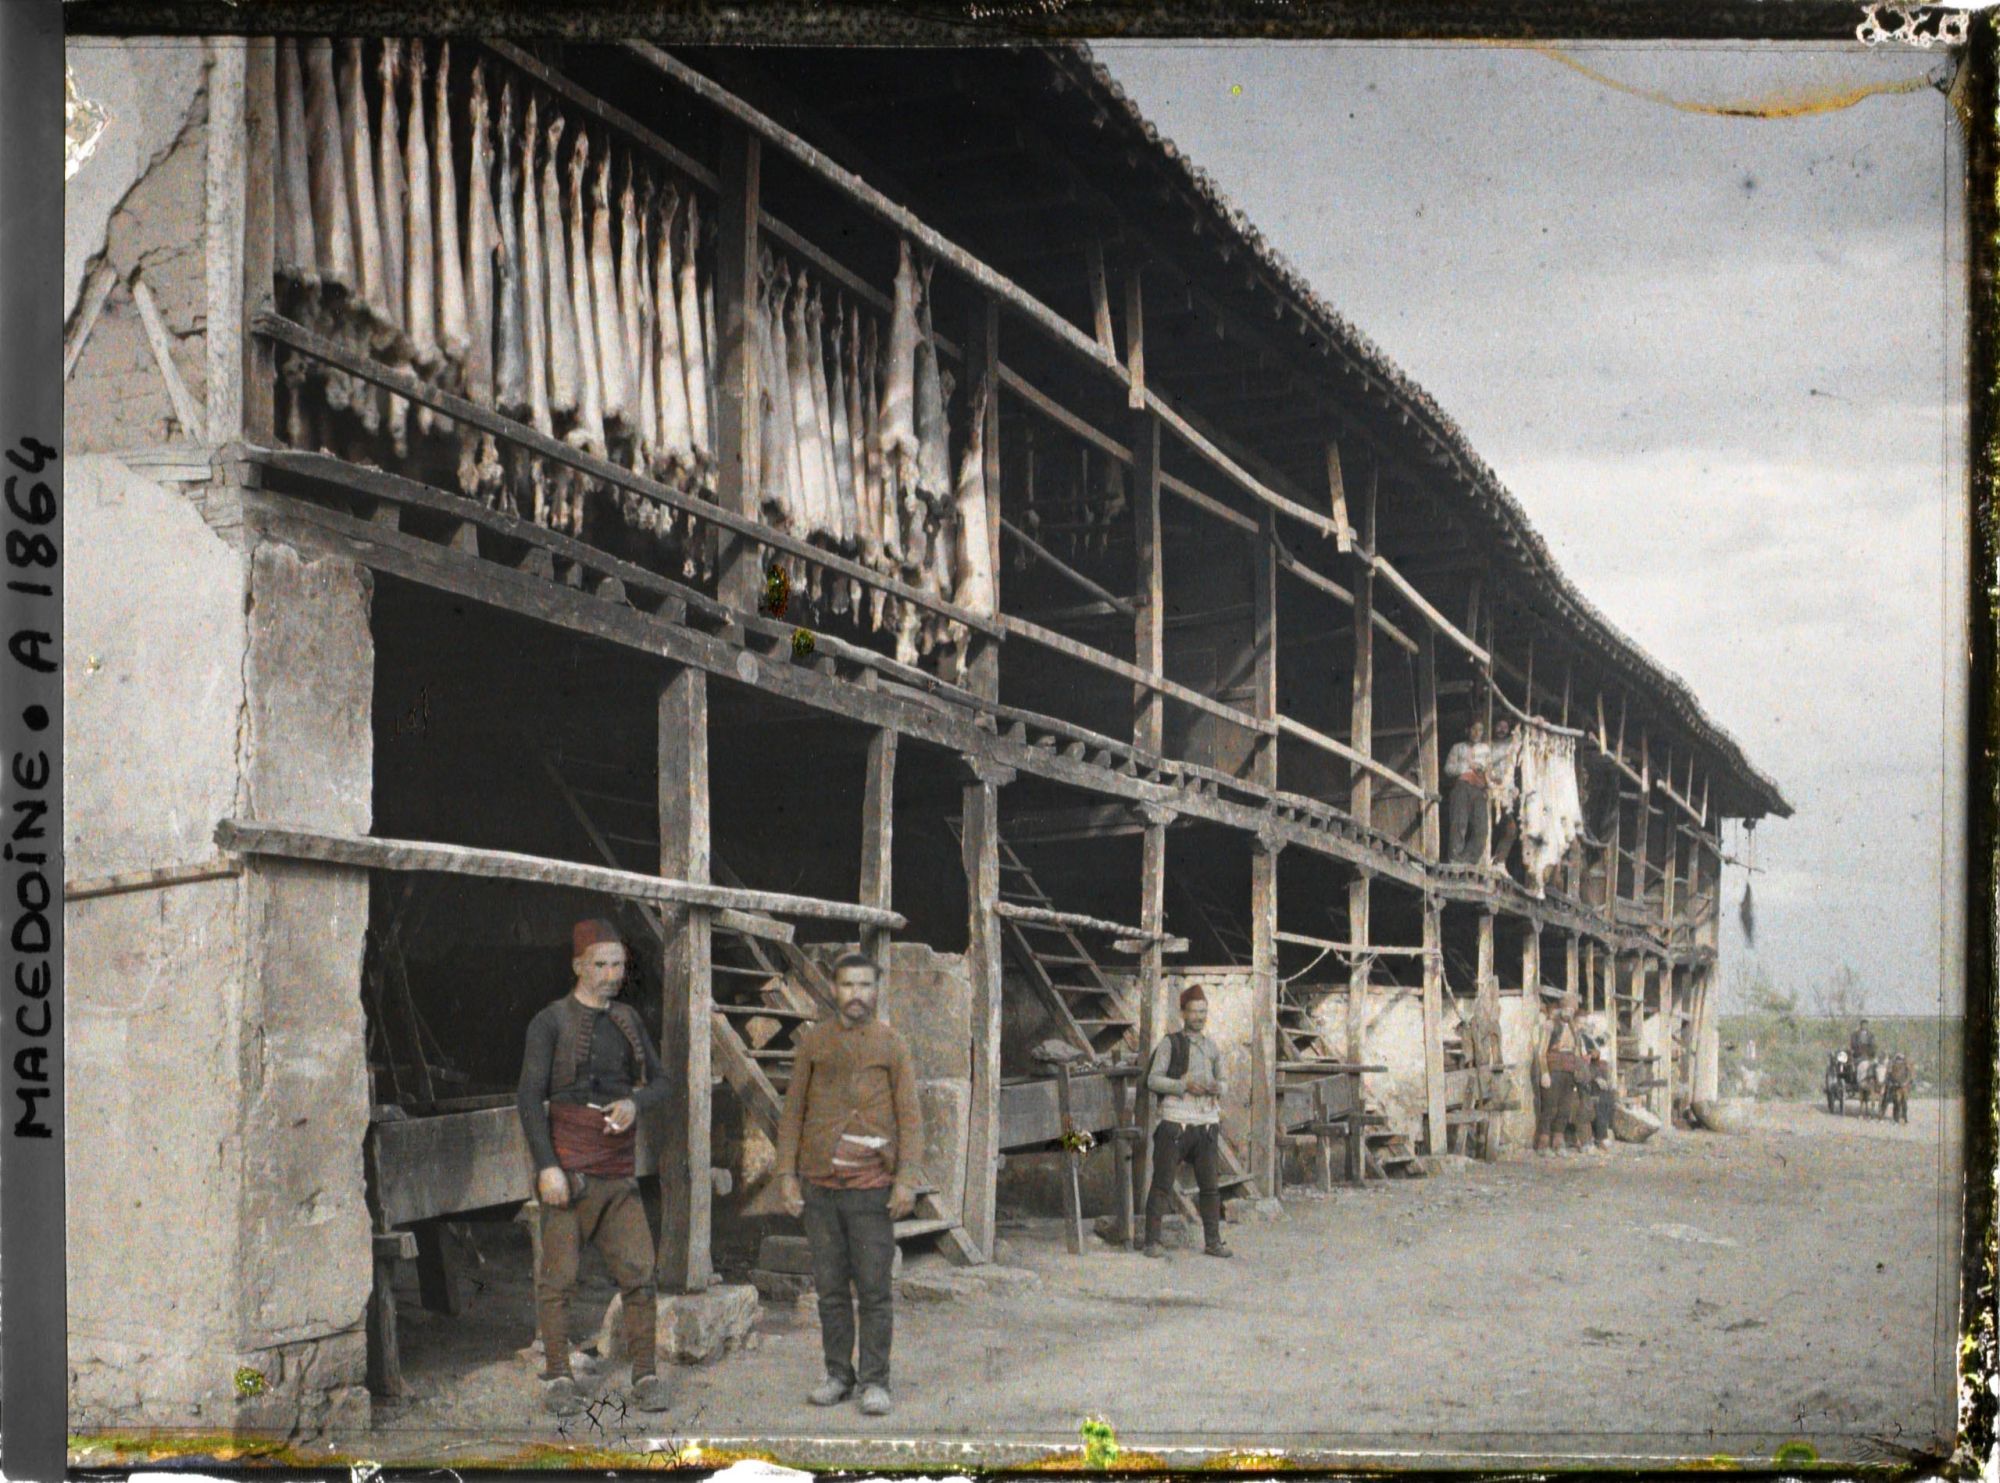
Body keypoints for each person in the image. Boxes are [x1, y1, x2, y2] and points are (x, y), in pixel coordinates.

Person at [516, 918, 674, 1417]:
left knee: (640, 1274)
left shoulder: (627, 1019)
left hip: (617, 1170)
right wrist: (547, 1168)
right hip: (569, 1170)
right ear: (578, 966)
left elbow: (664, 1083)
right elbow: (527, 1097)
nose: (611, 974)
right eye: (601, 965)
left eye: (619, 965)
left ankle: (646, 1374)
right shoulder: (550, 1022)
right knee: (558, 1279)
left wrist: (635, 1103)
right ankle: (558, 1376)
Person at [775, 951, 923, 1419]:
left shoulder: (892, 1044)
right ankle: (839, 1374)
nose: (856, 995)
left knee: (875, 1289)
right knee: (831, 1289)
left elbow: (911, 1119)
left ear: (876, 990)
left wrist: (905, 1182)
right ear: (834, 990)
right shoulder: (814, 1044)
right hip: (820, 1189)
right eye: (847, 986)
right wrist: (786, 1175)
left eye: (864, 985)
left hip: (872, 1189)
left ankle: (876, 1381)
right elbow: (793, 1114)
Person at [1142, 986, 1233, 1259]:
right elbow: (1152, 1080)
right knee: (1162, 1182)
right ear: (1183, 1013)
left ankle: (1213, 1242)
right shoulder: (1171, 1044)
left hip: (1205, 1124)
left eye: (1203, 1011)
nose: (1199, 1017)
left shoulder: (1212, 1047)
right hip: (1175, 1123)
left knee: (1210, 1186)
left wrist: (1216, 1086)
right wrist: (1184, 1085)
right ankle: (1152, 1242)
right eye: (1193, 1011)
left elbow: (1226, 1083)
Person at [1531, 988, 1581, 1156]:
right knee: (1550, 1107)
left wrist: (1577, 1071)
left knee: (1564, 1108)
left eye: (1572, 1010)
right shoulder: (1550, 1025)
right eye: (1567, 1009)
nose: (1569, 1013)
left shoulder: (1574, 1028)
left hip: (1568, 1070)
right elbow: (1541, 1052)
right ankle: (1543, 1142)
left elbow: (1576, 1050)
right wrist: (1544, 1072)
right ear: (1561, 1008)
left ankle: (1558, 1141)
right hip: (1554, 1070)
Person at [1568, 1002, 1616, 1151]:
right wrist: (1593, 1076)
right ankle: (1594, 1137)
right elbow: (1576, 1062)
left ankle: (1601, 1135)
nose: (1582, 1026)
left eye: (1584, 1023)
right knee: (1593, 1097)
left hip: (1587, 1075)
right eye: (1580, 1023)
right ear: (1574, 1023)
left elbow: (1592, 1057)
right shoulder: (1571, 1038)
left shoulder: (1585, 1038)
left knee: (1607, 1094)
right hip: (1575, 1078)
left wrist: (1596, 1070)